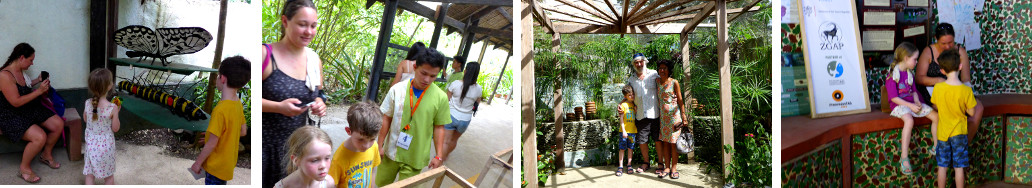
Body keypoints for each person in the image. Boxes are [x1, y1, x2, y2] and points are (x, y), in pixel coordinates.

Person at [262, 0, 328, 186]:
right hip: (265, 146)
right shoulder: (266, 55)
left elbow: (319, 95)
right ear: (285, 21)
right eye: (302, 24)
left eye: (313, 26)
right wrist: (278, 107)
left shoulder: (314, 60)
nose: (309, 31)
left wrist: (320, 104)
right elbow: (244, 100)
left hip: (295, 148)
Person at [376, 48, 451, 186]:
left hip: (415, 156)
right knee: (382, 184)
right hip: (391, 152)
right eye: (424, 73)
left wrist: (439, 155)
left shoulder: (441, 97)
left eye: (433, 76)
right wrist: (379, 144)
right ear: (415, 67)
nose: (427, 79)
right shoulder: (397, 89)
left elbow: (439, 127)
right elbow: (387, 117)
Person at [0, 43, 65, 183]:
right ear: (21, 57)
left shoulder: (21, 71)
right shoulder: (5, 76)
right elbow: (16, 102)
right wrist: (39, 91)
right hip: (11, 114)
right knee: (39, 137)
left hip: (27, 108)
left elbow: (25, 87)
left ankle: (46, 155)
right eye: (30, 60)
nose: (32, 63)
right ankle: (24, 168)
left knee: (58, 124)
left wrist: (38, 81)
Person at [916, 22, 983, 142]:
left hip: (956, 90)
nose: (947, 47)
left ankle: (964, 146)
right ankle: (948, 146)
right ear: (936, 39)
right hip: (934, 92)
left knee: (978, 108)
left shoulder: (960, 51)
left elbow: (966, 80)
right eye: (943, 43)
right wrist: (938, 80)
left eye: (950, 42)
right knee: (947, 109)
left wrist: (963, 94)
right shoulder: (928, 52)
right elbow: (919, 78)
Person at [192, 56, 250, 185]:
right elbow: (242, 131)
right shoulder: (237, 103)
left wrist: (197, 163)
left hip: (215, 167)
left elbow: (212, 143)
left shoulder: (220, 110)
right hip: (227, 165)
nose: (217, 79)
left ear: (223, 78)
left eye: (218, 76)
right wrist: (210, 137)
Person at [886, 42, 940, 175]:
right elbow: (894, 98)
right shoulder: (893, 75)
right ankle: (904, 158)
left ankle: (936, 146)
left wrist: (916, 101)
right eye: (914, 59)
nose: (916, 62)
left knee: (936, 116)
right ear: (905, 58)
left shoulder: (909, 74)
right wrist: (910, 105)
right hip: (899, 105)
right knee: (909, 121)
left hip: (911, 103)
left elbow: (914, 91)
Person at [929, 49, 973, 188]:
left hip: (942, 133)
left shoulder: (938, 87)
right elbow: (971, 112)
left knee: (942, 167)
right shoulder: (966, 91)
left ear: (942, 71)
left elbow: (935, 106)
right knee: (959, 168)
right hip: (959, 132)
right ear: (960, 66)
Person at [620, 53, 661, 175]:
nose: (639, 64)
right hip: (640, 115)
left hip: (655, 113)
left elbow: (663, 87)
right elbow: (628, 94)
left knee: (658, 139)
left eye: (640, 61)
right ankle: (646, 163)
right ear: (633, 65)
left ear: (645, 61)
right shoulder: (631, 79)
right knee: (642, 140)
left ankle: (660, 163)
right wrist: (620, 103)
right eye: (636, 62)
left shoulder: (654, 74)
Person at [328, 101, 382, 188]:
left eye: (372, 139)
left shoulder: (374, 146)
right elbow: (333, 184)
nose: (366, 146)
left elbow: (372, 171)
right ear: (348, 131)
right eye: (361, 139)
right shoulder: (339, 158)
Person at [83, 68, 120, 185]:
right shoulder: (112, 107)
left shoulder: (88, 103)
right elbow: (115, 128)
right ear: (109, 86)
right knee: (108, 176)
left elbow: (85, 119)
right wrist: (117, 113)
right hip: (106, 147)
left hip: (90, 145)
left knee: (90, 174)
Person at [655, 60, 689, 179]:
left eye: (664, 68)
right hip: (663, 119)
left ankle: (674, 168)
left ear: (669, 70)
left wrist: (684, 116)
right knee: (665, 143)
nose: (662, 70)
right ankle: (667, 167)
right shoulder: (657, 81)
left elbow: (680, 100)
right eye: (660, 68)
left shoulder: (674, 82)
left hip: (674, 117)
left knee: (674, 143)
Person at [442, 62, 481, 160]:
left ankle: (440, 159)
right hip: (465, 120)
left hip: (451, 116)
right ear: (477, 74)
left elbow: (446, 100)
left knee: (445, 141)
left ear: (465, 71)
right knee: (453, 141)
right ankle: (445, 156)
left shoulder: (455, 84)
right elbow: (477, 104)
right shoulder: (478, 89)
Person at [615, 85, 637, 177]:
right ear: (625, 96)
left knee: (630, 148)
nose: (632, 96)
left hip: (633, 131)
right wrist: (623, 131)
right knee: (622, 148)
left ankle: (629, 164)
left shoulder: (634, 105)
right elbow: (621, 119)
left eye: (632, 94)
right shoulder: (623, 105)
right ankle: (620, 166)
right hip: (624, 131)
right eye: (629, 95)